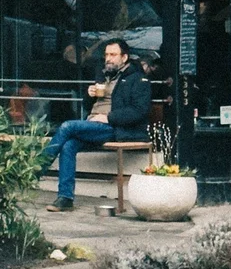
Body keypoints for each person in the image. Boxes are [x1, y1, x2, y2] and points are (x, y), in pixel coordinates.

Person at [39, 38, 152, 211]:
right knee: (68, 145)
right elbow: (87, 106)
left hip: (115, 129)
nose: (108, 58)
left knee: (67, 127)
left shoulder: (137, 79)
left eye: (113, 55)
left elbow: (139, 111)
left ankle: (35, 170)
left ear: (124, 57)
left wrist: (109, 118)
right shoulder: (103, 75)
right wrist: (89, 94)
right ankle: (65, 198)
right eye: (106, 54)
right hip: (94, 125)